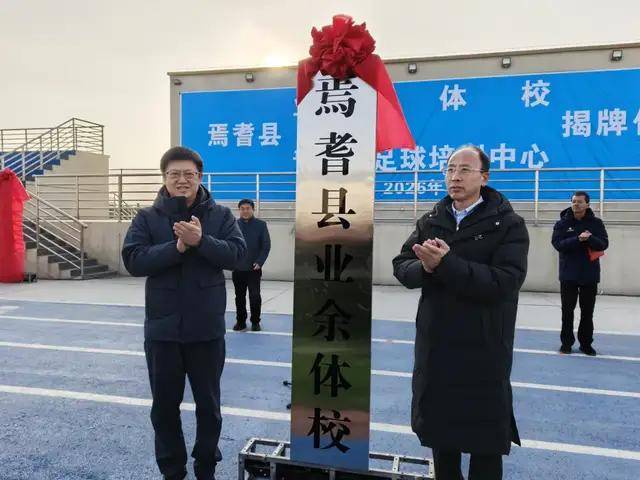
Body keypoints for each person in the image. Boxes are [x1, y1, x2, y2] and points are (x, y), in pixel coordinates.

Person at [392, 145, 529, 480]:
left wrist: (446, 264)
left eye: (465, 170)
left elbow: (505, 281)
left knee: (485, 446)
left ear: (484, 177)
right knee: (442, 442)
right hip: (437, 348)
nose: (455, 176)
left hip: (483, 348)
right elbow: (401, 266)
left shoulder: (507, 224)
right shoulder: (432, 220)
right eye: (450, 169)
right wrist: (426, 268)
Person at [121, 146, 246, 480]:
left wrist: (202, 241)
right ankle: (172, 471)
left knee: (209, 408)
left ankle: (206, 467)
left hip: (206, 330)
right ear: (164, 177)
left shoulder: (220, 216)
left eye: (188, 174)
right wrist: (176, 248)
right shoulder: (147, 217)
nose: (181, 180)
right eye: (174, 174)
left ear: (199, 177)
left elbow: (237, 255)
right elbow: (133, 260)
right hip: (162, 332)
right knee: (163, 409)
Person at [551, 191, 608, 356]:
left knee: (587, 313)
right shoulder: (562, 223)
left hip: (589, 274)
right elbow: (558, 244)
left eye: (580, 202)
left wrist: (590, 238)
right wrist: (578, 239)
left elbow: (604, 244)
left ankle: (586, 344)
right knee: (567, 312)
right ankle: (566, 344)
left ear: (587, 204)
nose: (576, 204)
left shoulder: (596, 223)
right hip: (568, 274)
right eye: (574, 201)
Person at [232, 199, 271, 332]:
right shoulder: (234, 225)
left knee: (255, 296)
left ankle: (255, 322)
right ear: (239, 210)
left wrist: (260, 262)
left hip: (254, 268)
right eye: (242, 208)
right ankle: (241, 321)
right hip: (238, 268)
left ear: (253, 209)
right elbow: (230, 244)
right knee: (239, 297)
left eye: (248, 208)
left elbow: (266, 246)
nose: (245, 211)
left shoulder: (261, 225)